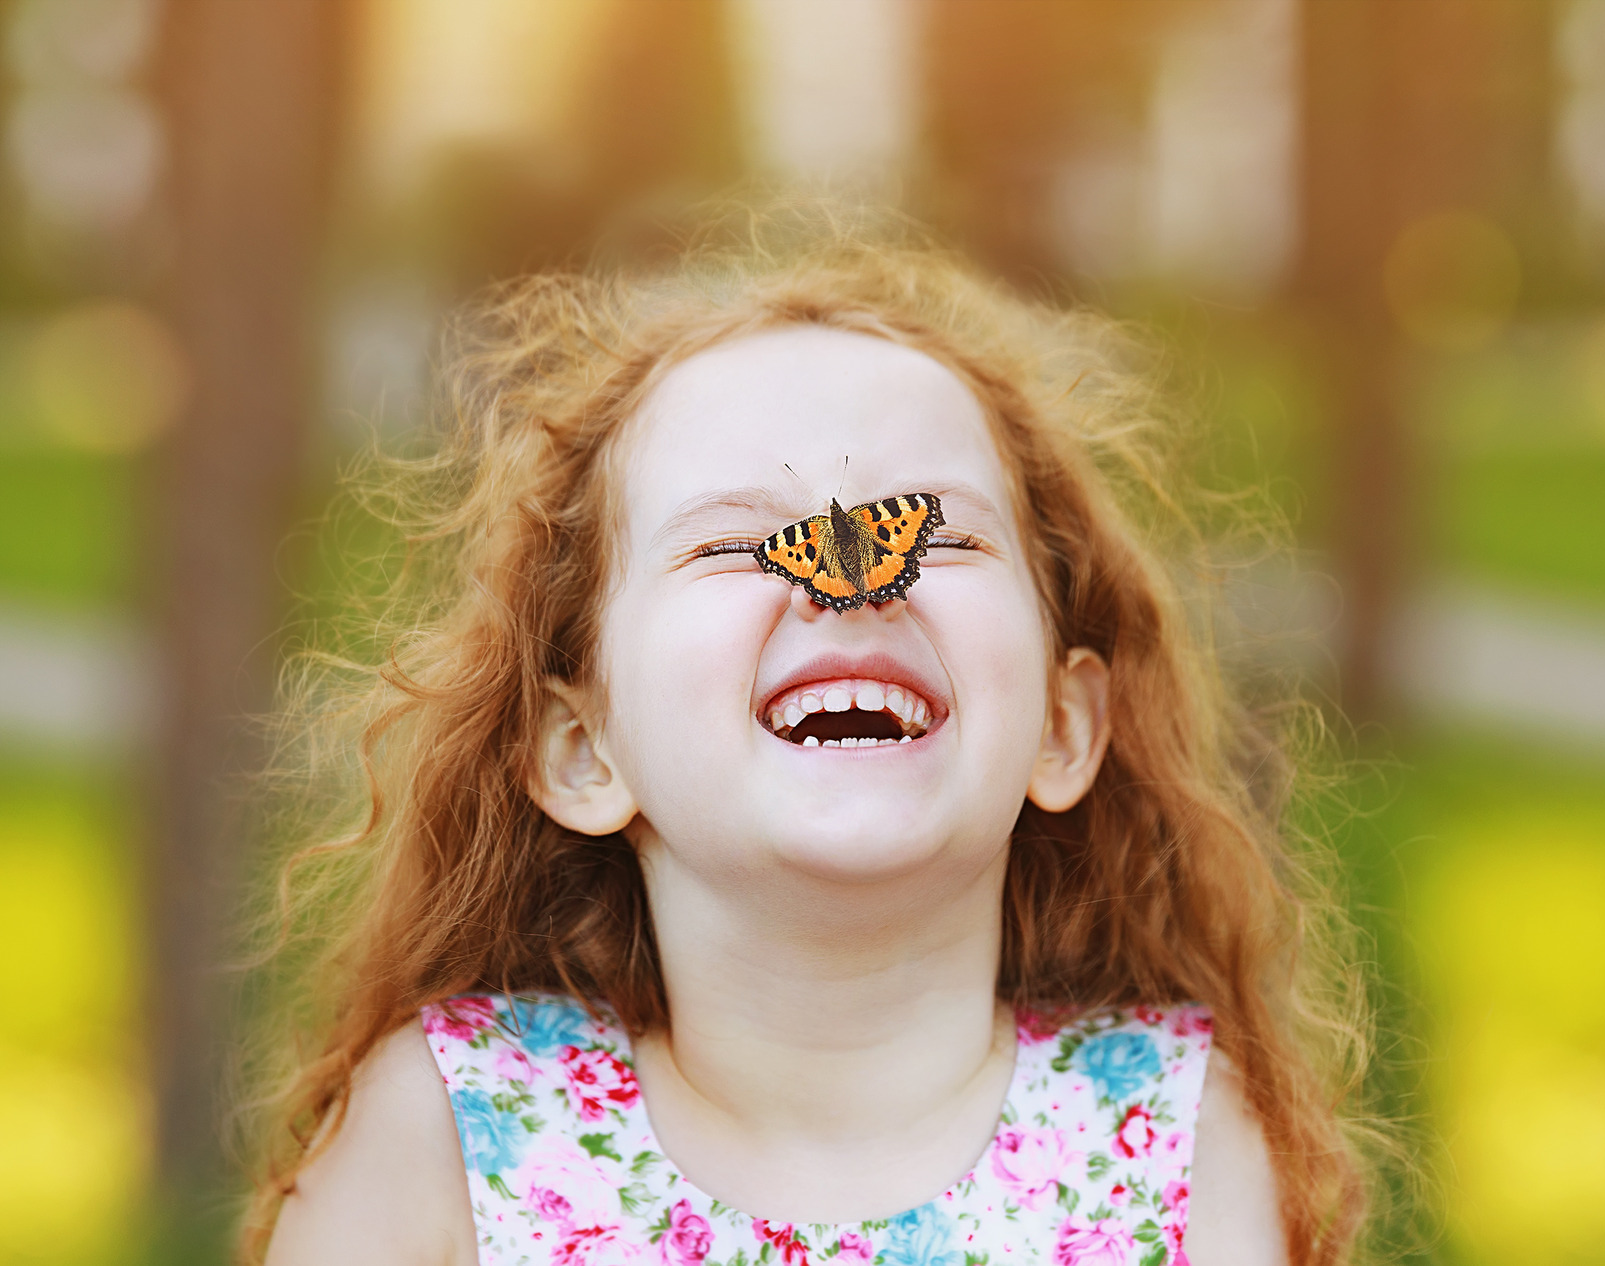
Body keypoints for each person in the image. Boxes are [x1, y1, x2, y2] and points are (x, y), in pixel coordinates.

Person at [250, 211, 1369, 1266]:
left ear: (1064, 727)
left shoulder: (1170, 1149)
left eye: (930, 537)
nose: (848, 593)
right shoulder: (445, 1136)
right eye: (738, 548)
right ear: (582, 749)